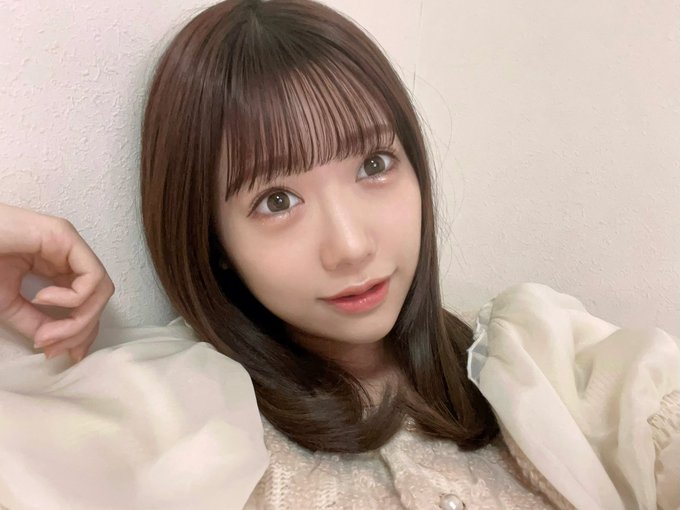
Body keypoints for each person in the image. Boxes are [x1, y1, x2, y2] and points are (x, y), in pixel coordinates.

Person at [0, 1, 678, 509]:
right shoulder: (171, 416)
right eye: (276, 200)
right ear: (214, 241)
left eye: (374, 164)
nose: (351, 246)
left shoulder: (545, 356)